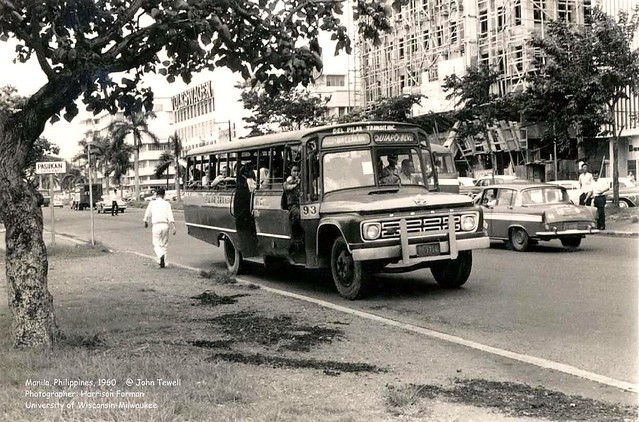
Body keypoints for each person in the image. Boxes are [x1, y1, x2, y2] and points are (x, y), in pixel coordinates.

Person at [143, 188, 176, 268]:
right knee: (164, 245)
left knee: (156, 244)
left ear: (156, 195)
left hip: (156, 225)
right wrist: (173, 227)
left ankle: (160, 256)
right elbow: (170, 216)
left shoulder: (152, 203)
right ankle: (163, 260)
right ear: (164, 195)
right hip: (165, 225)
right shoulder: (167, 204)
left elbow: (147, 214)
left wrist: (146, 221)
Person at [283, 165, 303, 245]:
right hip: (292, 206)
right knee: (300, 214)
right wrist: (296, 184)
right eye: (294, 171)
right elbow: (288, 187)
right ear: (291, 172)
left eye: (298, 171)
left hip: (300, 204)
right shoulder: (287, 182)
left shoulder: (300, 182)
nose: (296, 173)